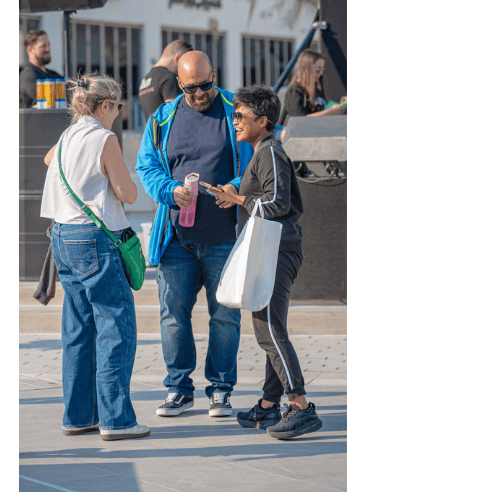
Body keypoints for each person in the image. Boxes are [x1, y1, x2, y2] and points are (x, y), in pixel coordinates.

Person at [136, 51, 254, 418]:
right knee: (173, 314)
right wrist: (170, 190)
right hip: (176, 238)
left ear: (215, 75)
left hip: (224, 236)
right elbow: (147, 165)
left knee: (225, 317)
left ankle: (221, 389)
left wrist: (234, 188)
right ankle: (179, 389)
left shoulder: (238, 111)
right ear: (179, 83)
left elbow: (255, 163)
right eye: (190, 89)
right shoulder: (164, 116)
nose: (199, 94)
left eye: (206, 85)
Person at [39, 73, 150, 441]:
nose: (118, 113)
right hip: (94, 240)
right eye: (117, 106)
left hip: (61, 236)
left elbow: (47, 159)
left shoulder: (67, 135)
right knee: (115, 327)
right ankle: (116, 420)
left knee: (78, 330)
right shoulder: (105, 138)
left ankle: (78, 415)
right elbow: (127, 193)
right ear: (105, 105)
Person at [211, 84, 323, 440]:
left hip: (276, 250)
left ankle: (301, 406)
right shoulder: (262, 151)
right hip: (271, 249)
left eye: (241, 116)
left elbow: (277, 204)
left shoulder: (270, 152)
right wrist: (237, 198)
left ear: (263, 120)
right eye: (234, 115)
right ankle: (268, 404)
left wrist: (239, 197)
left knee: (269, 329)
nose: (235, 122)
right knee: (269, 324)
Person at [278, 50, 346, 126]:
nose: (321, 73)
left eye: (322, 69)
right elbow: (298, 120)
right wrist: (331, 111)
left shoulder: (317, 91)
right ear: (307, 69)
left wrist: (341, 105)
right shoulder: (294, 92)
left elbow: (324, 109)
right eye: (318, 70)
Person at [138, 39, 193, 119]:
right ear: (177, 58)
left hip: (152, 130)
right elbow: (175, 115)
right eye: (186, 63)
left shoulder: (145, 80)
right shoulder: (169, 78)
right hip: (168, 131)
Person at [20, 30, 64, 108]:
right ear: (30, 49)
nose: (48, 49)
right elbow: (48, 103)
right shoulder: (29, 76)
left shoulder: (53, 74)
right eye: (43, 46)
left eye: (48, 45)